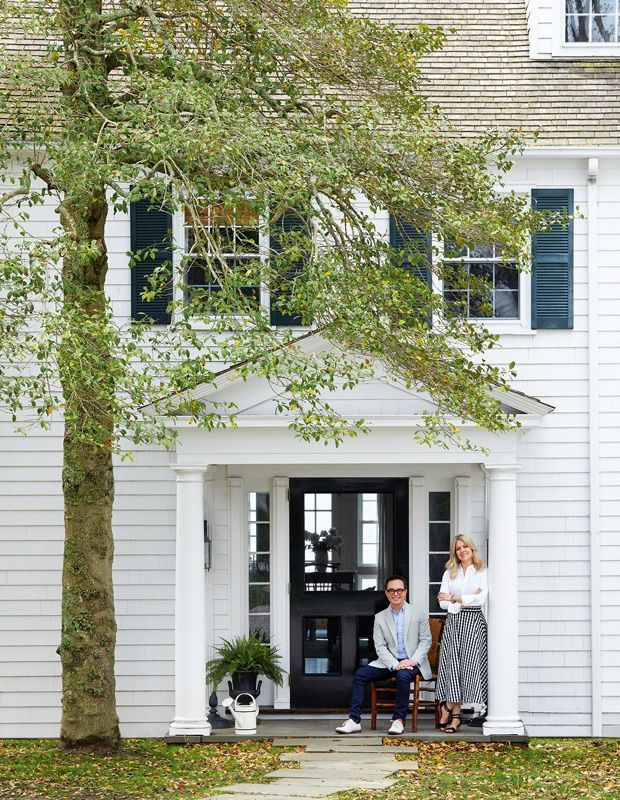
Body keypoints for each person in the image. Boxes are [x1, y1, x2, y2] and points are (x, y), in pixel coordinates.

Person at [335, 575, 432, 735]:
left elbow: (426, 641)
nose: (396, 593)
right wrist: (395, 664)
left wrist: (412, 661)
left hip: (413, 662)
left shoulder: (418, 613)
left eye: (399, 590)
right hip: (389, 662)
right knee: (360, 674)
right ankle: (354, 721)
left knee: (403, 676)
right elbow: (379, 647)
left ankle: (398, 720)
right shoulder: (380, 618)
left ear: (405, 592)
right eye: (392, 590)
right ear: (386, 593)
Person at [436, 535, 488, 734]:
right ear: (454, 552)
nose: (462, 550)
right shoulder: (450, 573)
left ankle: (448, 706)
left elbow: (481, 598)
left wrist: (455, 597)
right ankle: (455, 717)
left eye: (465, 546)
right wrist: (466, 598)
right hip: (455, 622)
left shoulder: (483, 572)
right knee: (454, 666)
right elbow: (442, 602)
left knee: (468, 666)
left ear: (472, 548)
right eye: (458, 548)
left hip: (474, 622)